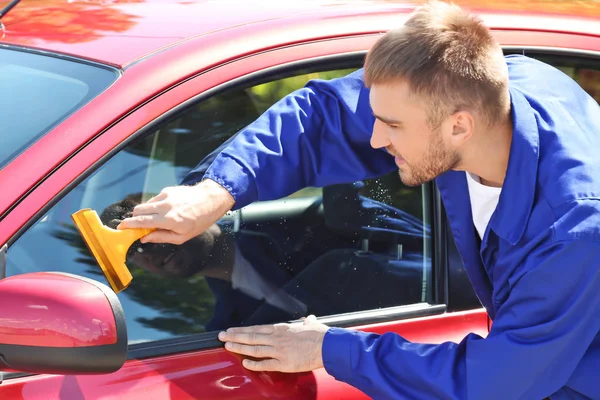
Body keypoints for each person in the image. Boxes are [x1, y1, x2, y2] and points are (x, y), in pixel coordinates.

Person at [118, 1, 600, 399]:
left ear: (459, 126)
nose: (373, 139)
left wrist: (331, 351)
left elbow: (500, 381)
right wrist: (216, 189)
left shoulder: (572, 228)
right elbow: (322, 119)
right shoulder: (484, 91)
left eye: (392, 126)